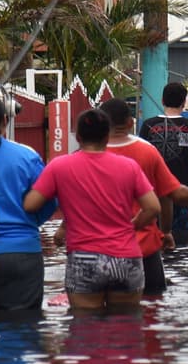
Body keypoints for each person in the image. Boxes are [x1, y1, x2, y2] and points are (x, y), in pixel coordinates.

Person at [24, 108, 160, 311]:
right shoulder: (129, 166)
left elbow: (31, 204)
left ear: (77, 137)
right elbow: (153, 208)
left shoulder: (59, 166)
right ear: (107, 136)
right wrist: (133, 226)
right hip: (125, 256)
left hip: (83, 257)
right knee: (127, 327)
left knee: (85, 331)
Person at [99, 97, 188, 296]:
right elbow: (166, 195)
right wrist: (165, 231)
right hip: (142, 248)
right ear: (131, 122)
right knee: (152, 309)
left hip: (96, 251)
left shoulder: (86, 155)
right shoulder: (147, 151)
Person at [0, 94, 54, 312]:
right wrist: (31, 221)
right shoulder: (26, 157)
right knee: (25, 330)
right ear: (5, 120)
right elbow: (49, 200)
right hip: (22, 255)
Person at [138, 81, 188, 244]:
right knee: (182, 242)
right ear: (184, 102)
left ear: (162, 101)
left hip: (152, 194)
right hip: (181, 192)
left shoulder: (148, 125)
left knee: (155, 238)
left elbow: (140, 163)